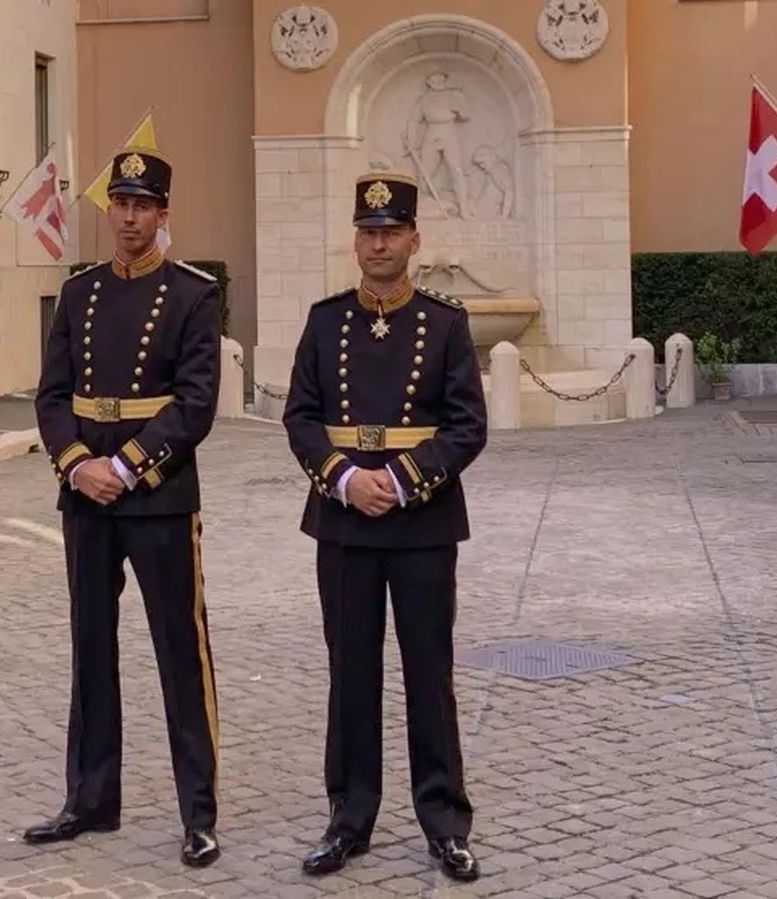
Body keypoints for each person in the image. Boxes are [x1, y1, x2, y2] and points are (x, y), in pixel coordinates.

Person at [282, 172, 488, 882]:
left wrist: (398, 480)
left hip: (422, 522)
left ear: (413, 240)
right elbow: (300, 416)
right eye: (368, 232)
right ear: (357, 240)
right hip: (344, 523)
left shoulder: (445, 323)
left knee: (430, 675)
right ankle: (349, 816)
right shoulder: (325, 320)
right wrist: (345, 477)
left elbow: (468, 427)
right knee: (351, 673)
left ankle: (445, 820)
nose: (378, 244)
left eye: (390, 231)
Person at [29, 146, 224, 868]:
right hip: (87, 497)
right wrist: (79, 464)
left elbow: (196, 403)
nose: (130, 217)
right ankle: (89, 798)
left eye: (144, 205)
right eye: (121, 204)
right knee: (91, 647)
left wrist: (128, 464)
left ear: (163, 213)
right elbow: (52, 394)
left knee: (181, 652)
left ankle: (198, 811)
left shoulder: (191, 294)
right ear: (108, 208)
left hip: (159, 496)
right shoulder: (79, 293)